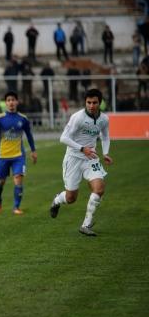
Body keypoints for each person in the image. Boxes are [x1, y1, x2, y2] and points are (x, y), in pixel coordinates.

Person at [49, 88, 112, 237]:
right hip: (73, 158)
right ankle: (57, 200)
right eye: (88, 102)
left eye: (94, 102)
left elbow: (105, 136)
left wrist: (105, 153)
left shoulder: (104, 119)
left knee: (99, 189)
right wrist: (82, 148)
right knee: (71, 198)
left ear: (100, 103)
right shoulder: (77, 117)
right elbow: (63, 138)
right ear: (85, 102)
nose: (91, 105)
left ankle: (86, 225)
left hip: (91, 158)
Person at [0, 92, 37, 215]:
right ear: (6, 103)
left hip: (18, 156)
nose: (11, 102)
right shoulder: (0, 118)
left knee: (18, 179)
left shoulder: (23, 119)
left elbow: (29, 135)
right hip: (3, 156)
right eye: (8, 100)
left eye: (13, 100)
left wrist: (33, 151)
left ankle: (16, 207)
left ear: (17, 102)